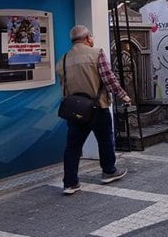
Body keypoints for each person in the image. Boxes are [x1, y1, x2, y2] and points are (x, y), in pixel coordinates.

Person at [56, 25, 131, 195]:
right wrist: (123, 96)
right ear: (88, 38)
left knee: (73, 147)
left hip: (75, 109)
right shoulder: (97, 53)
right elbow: (108, 79)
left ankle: (70, 183)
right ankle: (109, 172)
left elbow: (64, 87)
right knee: (105, 139)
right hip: (98, 106)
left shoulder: (64, 59)